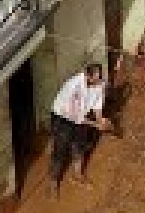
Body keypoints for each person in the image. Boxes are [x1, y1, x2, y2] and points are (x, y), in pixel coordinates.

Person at [48, 63, 112, 197]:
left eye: (100, 77)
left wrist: (100, 119)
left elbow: (97, 104)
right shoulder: (74, 87)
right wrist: (96, 125)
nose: (99, 80)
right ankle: (53, 183)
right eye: (96, 78)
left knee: (80, 146)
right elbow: (74, 116)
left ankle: (77, 176)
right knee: (60, 150)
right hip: (63, 117)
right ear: (87, 76)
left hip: (81, 116)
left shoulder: (100, 84)